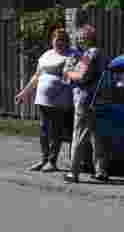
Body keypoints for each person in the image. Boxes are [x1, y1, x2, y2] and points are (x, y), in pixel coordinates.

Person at [15, 27, 77, 172]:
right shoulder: (47, 54)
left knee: (56, 130)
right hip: (43, 99)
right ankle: (43, 159)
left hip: (60, 99)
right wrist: (24, 93)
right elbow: (37, 76)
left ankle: (52, 161)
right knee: (44, 130)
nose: (59, 43)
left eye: (62, 40)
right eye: (56, 40)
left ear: (66, 41)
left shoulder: (71, 55)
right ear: (52, 41)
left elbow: (72, 76)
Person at [63, 24, 109, 183]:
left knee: (79, 134)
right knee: (97, 135)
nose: (78, 40)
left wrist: (68, 73)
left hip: (85, 98)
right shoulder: (102, 53)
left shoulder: (89, 53)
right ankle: (101, 170)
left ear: (87, 38)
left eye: (81, 37)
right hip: (99, 98)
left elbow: (81, 76)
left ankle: (73, 171)